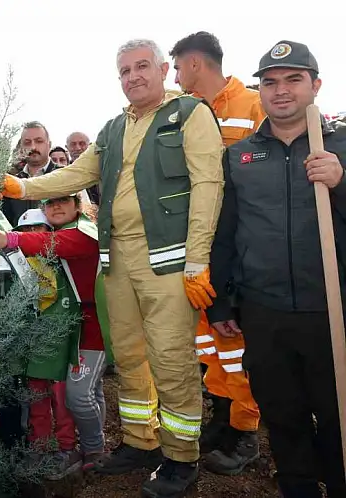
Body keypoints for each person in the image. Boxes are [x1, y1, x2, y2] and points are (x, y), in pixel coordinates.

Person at [2, 39, 224, 498]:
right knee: (128, 356)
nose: (133, 76)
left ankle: (181, 457)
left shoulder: (190, 114)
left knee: (171, 357)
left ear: (164, 70)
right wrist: (18, 186)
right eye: (124, 70)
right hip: (116, 260)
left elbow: (208, 185)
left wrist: (198, 260)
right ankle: (141, 441)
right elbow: (74, 175)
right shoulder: (113, 128)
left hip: (169, 261)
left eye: (142, 67)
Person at [208, 40, 346, 498]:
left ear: (316, 84)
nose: (280, 91)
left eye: (293, 79)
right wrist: (222, 301)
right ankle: (298, 487)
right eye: (270, 82)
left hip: (332, 311)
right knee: (282, 415)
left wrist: (342, 182)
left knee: (338, 415)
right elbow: (226, 234)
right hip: (265, 314)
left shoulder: (341, 145)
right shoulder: (241, 156)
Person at [170, 30, 266, 475]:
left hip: (240, 243)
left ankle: (246, 432)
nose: (173, 75)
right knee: (209, 340)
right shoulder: (187, 111)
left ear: (194, 64)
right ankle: (223, 417)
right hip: (201, 244)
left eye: (175, 66)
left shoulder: (251, 104)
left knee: (236, 342)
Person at [0, 194, 109, 478]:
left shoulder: (83, 233)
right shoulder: (63, 237)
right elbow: (15, 271)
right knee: (84, 392)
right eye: (49, 202)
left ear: (78, 204)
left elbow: (51, 245)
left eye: (63, 201)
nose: (56, 206)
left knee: (76, 394)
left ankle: (89, 449)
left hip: (93, 324)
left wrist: (13, 240)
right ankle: (73, 447)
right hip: (67, 332)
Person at [1, 121, 61, 226]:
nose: (33, 147)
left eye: (39, 141)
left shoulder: (64, 175)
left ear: (49, 145)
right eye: (27, 142)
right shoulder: (11, 182)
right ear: (21, 147)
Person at [64, 132, 101, 205]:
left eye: (82, 143)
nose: (78, 148)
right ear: (67, 147)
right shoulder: (64, 174)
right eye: (73, 144)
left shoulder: (102, 170)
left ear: (90, 146)